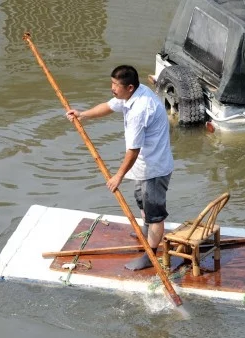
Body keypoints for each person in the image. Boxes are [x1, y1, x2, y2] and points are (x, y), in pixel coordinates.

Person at [66, 65, 174, 271]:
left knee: (155, 213)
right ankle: (146, 230)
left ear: (130, 87)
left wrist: (118, 176)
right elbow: (108, 106)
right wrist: (82, 115)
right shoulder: (132, 94)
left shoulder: (139, 110)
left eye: (116, 85)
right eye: (112, 83)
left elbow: (133, 150)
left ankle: (150, 255)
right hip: (143, 164)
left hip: (154, 167)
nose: (112, 88)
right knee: (141, 200)